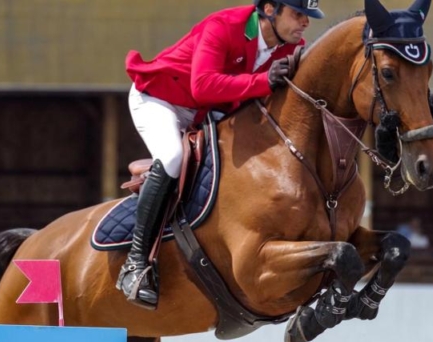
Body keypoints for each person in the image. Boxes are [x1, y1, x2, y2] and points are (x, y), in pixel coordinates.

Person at [119, 0, 325, 309]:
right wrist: (263, 81)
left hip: (207, 114)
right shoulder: (225, 26)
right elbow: (202, 86)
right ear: (270, 9)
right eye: (298, 14)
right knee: (173, 157)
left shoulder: (290, 50)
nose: (305, 23)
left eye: (308, 16)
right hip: (160, 99)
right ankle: (135, 265)